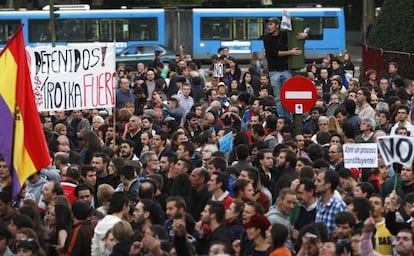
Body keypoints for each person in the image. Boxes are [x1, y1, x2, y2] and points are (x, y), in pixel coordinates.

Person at [263, 16, 307, 121]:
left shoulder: (285, 34)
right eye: (268, 24)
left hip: (286, 70)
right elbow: (273, 53)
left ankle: (289, 119)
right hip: (274, 71)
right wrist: (291, 52)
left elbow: (297, 36)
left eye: (271, 24)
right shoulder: (267, 38)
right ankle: (282, 118)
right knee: (278, 98)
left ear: (277, 25)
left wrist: (305, 35)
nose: (269, 26)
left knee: (288, 96)